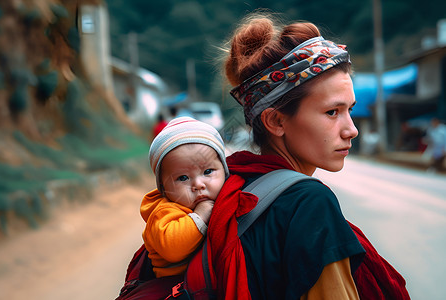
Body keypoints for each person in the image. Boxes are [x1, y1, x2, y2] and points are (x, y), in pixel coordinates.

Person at [206, 12, 410, 299]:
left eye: (349, 110)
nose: (351, 130)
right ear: (275, 121)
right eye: (332, 112)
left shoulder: (235, 185)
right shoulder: (308, 203)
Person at [141, 116, 229, 278]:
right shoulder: (163, 212)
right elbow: (172, 248)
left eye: (208, 172)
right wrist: (200, 215)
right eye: (183, 178)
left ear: (224, 169)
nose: (198, 185)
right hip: (177, 288)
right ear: (164, 189)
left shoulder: (228, 193)